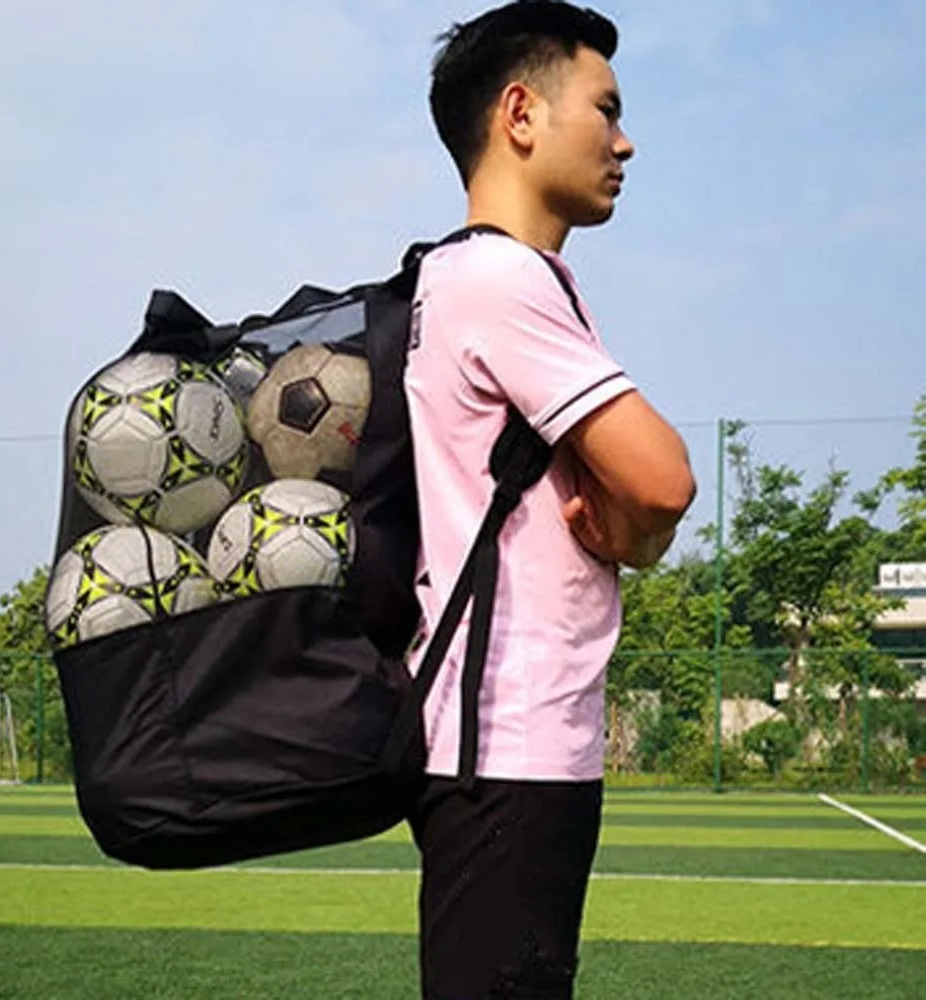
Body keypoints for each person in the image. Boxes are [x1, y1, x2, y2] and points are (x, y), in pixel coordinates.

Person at [404, 2, 697, 997]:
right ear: (520, 114)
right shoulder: (498, 280)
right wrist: (640, 521)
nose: (625, 142)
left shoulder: (495, 279)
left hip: (515, 748)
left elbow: (633, 516)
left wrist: (636, 529)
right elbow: (662, 480)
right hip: (508, 747)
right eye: (604, 109)